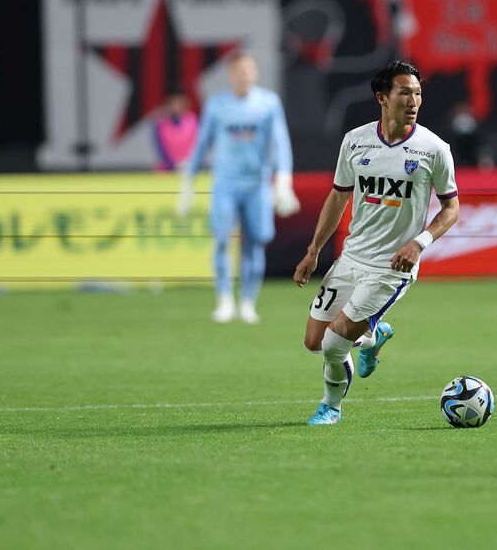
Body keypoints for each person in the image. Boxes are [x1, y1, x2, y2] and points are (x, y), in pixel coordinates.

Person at [293, 60, 459, 425]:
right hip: (351, 257)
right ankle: (372, 336)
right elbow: (338, 196)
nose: (413, 101)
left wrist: (419, 243)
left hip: (391, 267)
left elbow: (451, 208)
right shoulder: (355, 141)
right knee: (313, 341)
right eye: (404, 92)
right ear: (382, 97)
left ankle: (330, 407)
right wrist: (313, 251)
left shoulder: (434, 149)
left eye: (418, 93)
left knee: (334, 345)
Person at [177, 52, 300, 324]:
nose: (245, 76)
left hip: (257, 184)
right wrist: (188, 181)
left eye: (249, 70)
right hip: (226, 183)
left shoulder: (268, 103)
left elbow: (280, 141)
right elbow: (202, 143)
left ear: (255, 73)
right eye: (240, 71)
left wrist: (283, 180)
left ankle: (247, 302)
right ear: (231, 75)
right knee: (222, 239)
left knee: (256, 242)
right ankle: (224, 300)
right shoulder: (217, 104)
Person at [153, 92, 198, 171]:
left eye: (179, 102)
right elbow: (160, 149)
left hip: (190, 167)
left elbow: (198, 144)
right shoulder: (161, 124)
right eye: (173, 103)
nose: (177, 106)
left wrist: (190, 162)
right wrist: (173, 165)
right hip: (168, 169)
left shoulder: (193, 121)